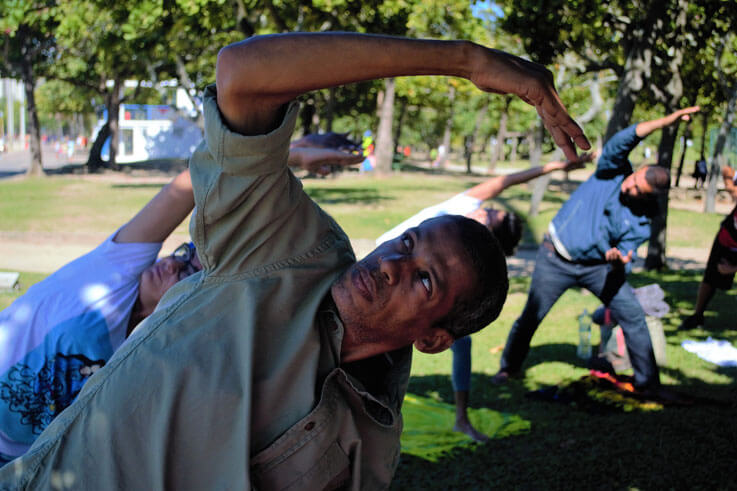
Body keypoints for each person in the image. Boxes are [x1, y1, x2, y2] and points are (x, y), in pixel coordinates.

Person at [0, 32, 589, 489]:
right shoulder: (286, 250)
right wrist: (465, 60)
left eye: (425, 280)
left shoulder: (369, 448)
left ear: (434, 339)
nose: (390, 263)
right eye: (407, 245)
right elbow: (242, 75)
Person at [0, 147, 362, 466]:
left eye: (188, 272)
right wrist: (289, 153)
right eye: (185, 253)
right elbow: (190, 182)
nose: (172, 263)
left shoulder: (162, 355)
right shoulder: (118, 271)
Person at [376, 154, 593, 441]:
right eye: (492, 211)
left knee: (450, 345)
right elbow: (505, 181)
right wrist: (555, 166)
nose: (484, 212)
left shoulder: (463, 260)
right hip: (375, 264)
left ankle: (459, 418)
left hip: (395, 293)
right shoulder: (462, 207)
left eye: (490, 220)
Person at [493, 106, 700, 393]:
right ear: (637, 171)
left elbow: (626, 257)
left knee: (633, 316)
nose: (630, 188)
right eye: (634, 181)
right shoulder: (612, 171)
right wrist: (667, 121)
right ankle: (508, 367)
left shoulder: (641, 220)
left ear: (650, 197)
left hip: (599, 268)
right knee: (532, 314)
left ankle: (648, 383)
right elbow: (627, 138)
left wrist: (618, 262)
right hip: (556, 256)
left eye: (639, 191)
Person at [679, 164, 737, 329]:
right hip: (725, 239)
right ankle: (698, 315)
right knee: (710, 278)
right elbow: (728, 174)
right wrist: (728, 171)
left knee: (722, 272)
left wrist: (732, 269)